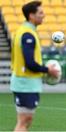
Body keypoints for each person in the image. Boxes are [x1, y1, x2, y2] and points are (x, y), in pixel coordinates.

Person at [10, 1, 59, 131]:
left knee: (25, 121)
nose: (44, 15)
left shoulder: (24, 31)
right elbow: (30, 63)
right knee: (23, 122)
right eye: (41, 13)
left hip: (25, 83)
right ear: (31, 15)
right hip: (25, 84)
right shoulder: (27, 34)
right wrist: (48, 70)